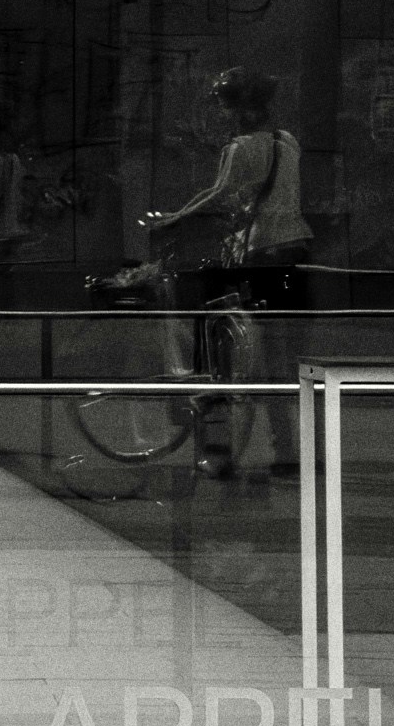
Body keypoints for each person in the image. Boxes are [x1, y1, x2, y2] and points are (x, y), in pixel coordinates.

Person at [129, 67, 316, 480]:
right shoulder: (288, 142)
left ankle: (223, 439)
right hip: (295, 249)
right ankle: (288, 450)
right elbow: (271, 196)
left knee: (230, 346)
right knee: (283, 359)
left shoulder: (239, 149)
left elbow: (217, 193)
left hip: (261, 253)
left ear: (237, 110)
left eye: (224, 108)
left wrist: (173, 218)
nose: (221, 115)